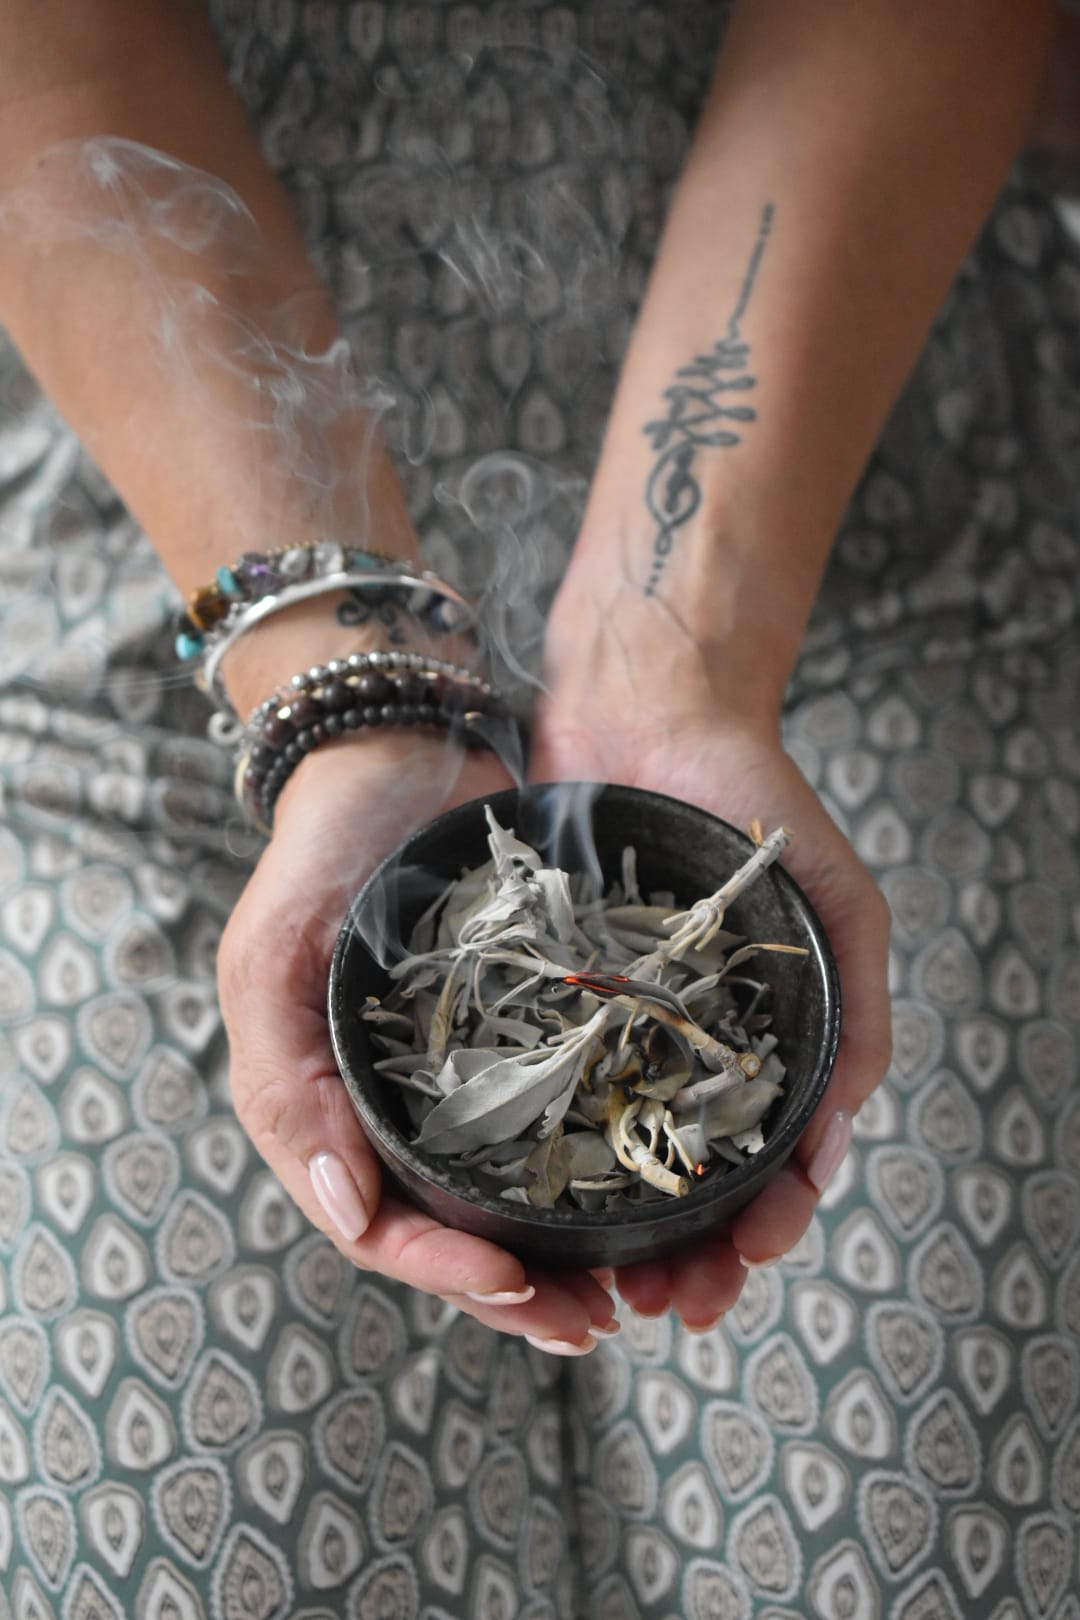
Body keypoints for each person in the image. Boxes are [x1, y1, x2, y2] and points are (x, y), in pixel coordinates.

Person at [0, 1, 1075, 1615]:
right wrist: (352, 710)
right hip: (169, 487)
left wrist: (685, 650)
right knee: (204, 1567)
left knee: (919, 1562)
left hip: (857, 418)